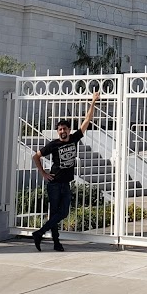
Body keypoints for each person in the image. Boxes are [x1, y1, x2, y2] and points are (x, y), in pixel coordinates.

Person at [31, 91, 100, 251]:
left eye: (64, 129)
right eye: (60, 129)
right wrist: (43, 173)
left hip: (66, 184)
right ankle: (56, 243)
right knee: (55, 213)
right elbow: (36, 156)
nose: (62, 131)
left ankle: (40, 233)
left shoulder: (74, 138)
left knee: (62, 213)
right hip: (54, 183)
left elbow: (87, 121)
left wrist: (93, 102)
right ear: (58, 132)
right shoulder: (53, 144)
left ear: (69, 130)